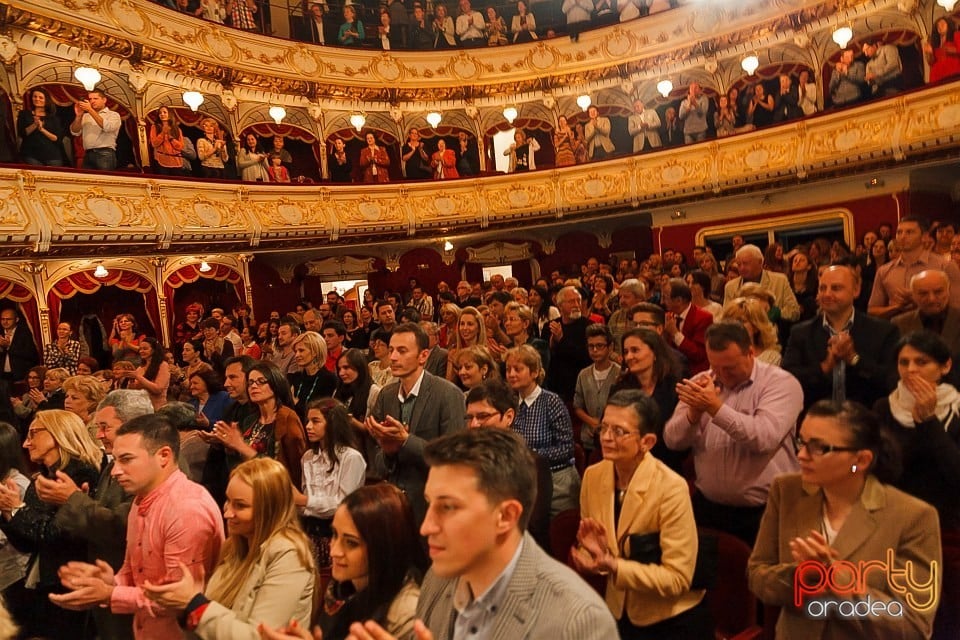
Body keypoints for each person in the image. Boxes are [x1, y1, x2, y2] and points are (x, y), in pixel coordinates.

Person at [335, 428, 618, 639]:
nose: (426, 526)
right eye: (430, 504)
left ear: (506, 516)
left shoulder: (579, 620)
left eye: (448, 507)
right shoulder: (439, 578)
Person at [748, 400, 941, 639]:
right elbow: (757, 576)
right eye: (802, 442)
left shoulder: (913, 516)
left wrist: (836, 579)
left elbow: (913, 624)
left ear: (860, 461)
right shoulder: (786, 491)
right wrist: (804, 576)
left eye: (819, 448)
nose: (801, 455)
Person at [48, 413, 224, 639]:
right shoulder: (141, 499)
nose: (115, 471)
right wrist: (108, 582)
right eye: (115, 460)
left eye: (126, 459)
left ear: (163, 456)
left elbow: (182, 600)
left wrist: (110, 594)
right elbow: (134, 572)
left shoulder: (186, 509)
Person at [575, 390, 711, 639]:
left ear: (646, 442)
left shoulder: (670, 487)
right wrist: (592, 558)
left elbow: (678, 578)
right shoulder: (593, 477)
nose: (605, 437)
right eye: (603, 428)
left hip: (670, 620)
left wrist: (614, 566)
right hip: (619, 612)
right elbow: (597, 547)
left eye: (618, 431)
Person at [143, 457, 315, 638]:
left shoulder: (289, 555)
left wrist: (195, 605)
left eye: (240, 506)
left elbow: (257, 636)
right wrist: (181, 605)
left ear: (269, 509)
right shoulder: (233, 546)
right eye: (228, 501)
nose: (227, 513)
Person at [665, 322, 804, 544]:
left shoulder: (781, 384)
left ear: (750, 353)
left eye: (729, 368)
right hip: (708, 508)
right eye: (715, 366)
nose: (720, 374)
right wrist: (693, 414)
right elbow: (672, 440)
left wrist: (715, 408)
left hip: (765, 511)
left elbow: (764, 438)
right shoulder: (703, 381)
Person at [35, 390, 154, 640]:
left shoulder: (150, 468)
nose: (99, 434)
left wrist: (71, 499)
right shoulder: (114, 462)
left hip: (134, 595)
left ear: (134, 425)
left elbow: (121, 525)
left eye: (105, 427)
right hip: (110, 585)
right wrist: (81, 500)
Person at [262, 483, 425, 640]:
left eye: (351, 543)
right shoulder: (342, 588)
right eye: (334, 534)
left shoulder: (407, 613)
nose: (334, 551)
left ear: (383, 546)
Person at [0, 410, 101, 639]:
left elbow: (56, 534)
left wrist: (16, 509)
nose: (26, 443)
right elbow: (28, 543)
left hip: (69, 580)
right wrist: (9, 511)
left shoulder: (82, 473)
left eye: (34, 433)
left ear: (58, 433)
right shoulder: (43, 476)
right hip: (42, 580)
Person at [365, 322, 465, 525]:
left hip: (433, 508)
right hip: (394, 508)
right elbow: (377, 461)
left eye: (402, 351)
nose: (392, 357)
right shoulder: (386, 395)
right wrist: (388, 452)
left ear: (423, 356)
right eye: (392, 350)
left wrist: (406, 441)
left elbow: (453, 460)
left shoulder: (447, 394)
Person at [874, 331, 960, 531]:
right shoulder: (883, 407)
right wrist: (852, 466)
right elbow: (866, 466)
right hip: (892, 516)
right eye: (904, 362)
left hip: (945, 520)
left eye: (922, 362)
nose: (910, 370)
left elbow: (956, 473)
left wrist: (928, 420)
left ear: (945, 367)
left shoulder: (956, 410)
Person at [784, 264, 898, 411]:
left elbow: (892, 382)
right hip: (817, 422)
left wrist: (854, 359)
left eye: (836, 288)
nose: (827, 294)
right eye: (822, 288)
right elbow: (787, 380)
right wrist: (825, 366)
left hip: (866, 423)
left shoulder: (884, 331)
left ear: (856, 291)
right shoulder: (801, 333)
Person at [293, 398, 365, 574]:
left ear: (333, 424)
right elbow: (306, 499)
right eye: (308, 421)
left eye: (315, 421)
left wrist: (304, 500)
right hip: (309, 532)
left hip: (335, 534)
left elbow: (342, 504)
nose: (308, 426)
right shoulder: (308, 457)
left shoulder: (351, 458)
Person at [505, 344, 579, 516]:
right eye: (508, 369)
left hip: (557, 482)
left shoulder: (551, 402)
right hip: (524, 481)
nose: (512, 374)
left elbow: (566, 448)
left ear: (535, 372)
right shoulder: (510, 403)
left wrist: (531, 456)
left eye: (518, 369)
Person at [211, 361, 307, 488]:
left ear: (275, 384)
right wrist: (229, 445)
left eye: (261, 381)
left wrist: (241, 446)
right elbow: (238, 463)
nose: (253, 386)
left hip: (276, 492)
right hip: (250, 488)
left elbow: (291, 469)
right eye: (250, 382)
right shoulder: (250, 420)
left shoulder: (287, 418)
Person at [868, 216, 960, 318]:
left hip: (935, 330)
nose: (903, 237)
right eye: (899, 232)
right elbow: (872, 310)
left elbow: (956, 308)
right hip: (897, 330)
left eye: (909, 232)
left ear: (924, 236)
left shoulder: (945, 266)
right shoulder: (884, 270)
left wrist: (921, 301)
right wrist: (897, 307)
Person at [573, 324, 621, 456]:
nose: (595, 350)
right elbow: (577, 405)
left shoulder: (619, 374)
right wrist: (591, 421)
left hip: (614, 438)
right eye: (591, 346)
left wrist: (603, 424)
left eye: (600, 346)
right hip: (588, 437)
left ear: (610, 347)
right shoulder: (583, 374)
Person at [723, 244, 801, 321]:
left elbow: (794, 312)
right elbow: (726, 317)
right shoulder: (730, 287)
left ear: (760, 262)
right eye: (739, 264)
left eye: (746, 263)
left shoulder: (780, 280)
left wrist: (777, 313)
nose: (741, 268)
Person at [544, 286, 591, 402]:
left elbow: (586, 357)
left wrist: (561, 340)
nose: (576, 305)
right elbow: (546, 358)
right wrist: (553, 343)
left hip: (580, 386)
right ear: (560, 306)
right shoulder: (550, 326)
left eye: (578, 300)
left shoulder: (589, 327)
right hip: (556, 387)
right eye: (571, 301)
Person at [288, 331, 337, 422]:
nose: (297, 355)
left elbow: (322, 414)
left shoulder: (329, 380)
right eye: (296, 351)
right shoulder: (295, 378)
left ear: (315, 352)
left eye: (301, 350)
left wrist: (296, 402)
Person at [69, 89, 121, 170]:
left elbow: (107, 127)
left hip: (105, 154)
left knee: (104, 181)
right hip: (87, 154)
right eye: (90, 99)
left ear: (104, 100)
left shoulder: (113, 115)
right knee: (88, 181)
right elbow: (74, 132)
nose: (92, 101)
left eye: (95, 99)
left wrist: (90, 110)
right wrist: (78, 116)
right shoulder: (86, 116)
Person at [722, 296, 782, 365]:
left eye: (741, 321)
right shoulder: (720, 353)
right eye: (730, 321)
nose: (734, 325)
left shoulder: (771, 357)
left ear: (756, 327)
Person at [17, 87, 65, 166]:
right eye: (34, 96)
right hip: (31, 154)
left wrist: (42, 130)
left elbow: (57, 139)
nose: (37, 99)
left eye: (40, 97)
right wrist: (34, 124)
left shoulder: (53, 118)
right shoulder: (24, 114)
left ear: (46, 100)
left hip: (52, 155)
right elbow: (22, 134)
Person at [124, 337, 171, 410]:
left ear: (154, 350)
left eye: (145, 349)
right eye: (140, 349)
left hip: (157, 409)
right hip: (142, 409)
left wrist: (138, 377)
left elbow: (158, 389)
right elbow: (133, 391)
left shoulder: (163, 365)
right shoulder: (140, 368)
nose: (141, 351)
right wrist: (131, 380)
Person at [0, 308, 39, 384]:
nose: (5, 322)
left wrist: (8, 347)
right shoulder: (0, 333)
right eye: (2, 319)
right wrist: (1, 347)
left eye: (8, 319)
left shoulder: (25, 333)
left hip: (20, 375)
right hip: (2, 376)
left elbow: (30, 354)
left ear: (16, 319)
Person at [149, 106, 184, 175]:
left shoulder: (177, 129)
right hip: (162, 161)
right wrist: (163, 133)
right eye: (160, 113)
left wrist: (171, 139)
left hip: (176, 162)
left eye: (164, 112)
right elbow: (154, 144)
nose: (162, 114)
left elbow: (181, 146)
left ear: (169, 114)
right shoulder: (155, 127)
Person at [924, 17, 960, 84]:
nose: (940, 26)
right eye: (938, 25)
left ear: (948, 25)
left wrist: (949, 50)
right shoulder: (935, 44)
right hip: (937, 77)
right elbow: (931, 62)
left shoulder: (956, 35)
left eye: (942, 24)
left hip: (953, 74)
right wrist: (930, 53)